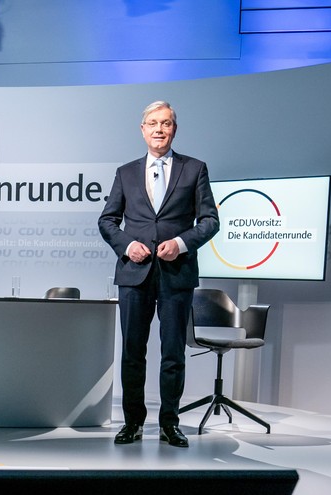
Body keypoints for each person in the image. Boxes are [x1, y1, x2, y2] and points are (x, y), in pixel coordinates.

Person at [98, 100, 219, 448]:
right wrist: (126, 245)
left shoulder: (194, 169)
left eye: (165, 123)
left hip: (175, 275)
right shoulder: (125, 172)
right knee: (133, 352)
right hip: (134, 274)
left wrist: (181, 243)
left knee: (172, 353)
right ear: (142, 129)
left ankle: (170, 423)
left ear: (174, 129)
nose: (159, 129)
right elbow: (107, 220)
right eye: (152, 123)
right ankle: (133, 422)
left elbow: (210, 221)